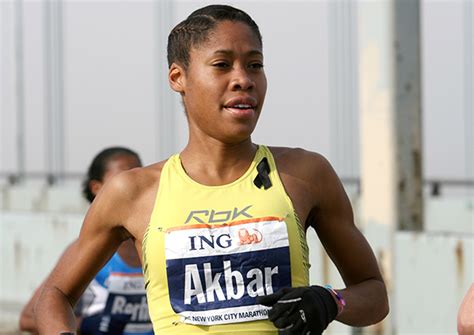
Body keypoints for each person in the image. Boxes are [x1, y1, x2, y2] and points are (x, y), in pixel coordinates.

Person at [35, 5, 389, 334]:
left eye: (255, 65)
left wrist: (330, 300)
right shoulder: (133, 192)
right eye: (222, 65)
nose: (243, 80)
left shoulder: (306, 174)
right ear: (178, 77)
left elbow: (374, 294)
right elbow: (55, 294)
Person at [20, 147, 153, 334]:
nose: (133, 185)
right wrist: (86, 325)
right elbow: (28, 318)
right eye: (123, 178)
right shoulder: (86, 251)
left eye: (138, 175)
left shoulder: (158, 244)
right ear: (96, 188)